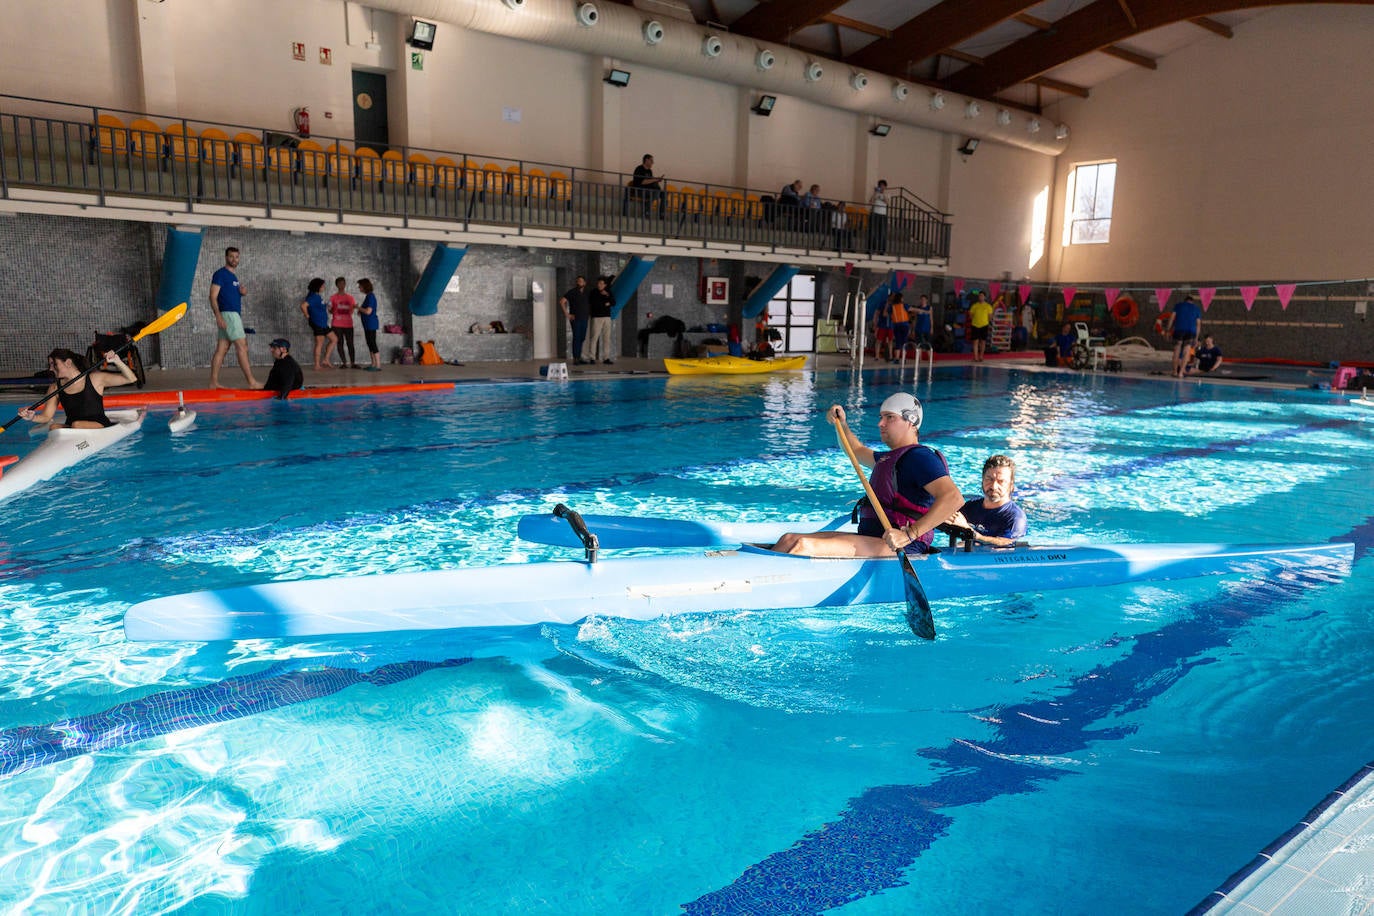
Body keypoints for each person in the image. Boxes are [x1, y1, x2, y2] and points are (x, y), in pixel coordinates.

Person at [771, 394, 963, 557]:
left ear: (911, 421)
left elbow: (953, 498)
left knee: (804, 546)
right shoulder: (889, 458)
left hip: (902, 547)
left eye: (889, 417)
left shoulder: (921, 457)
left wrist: (909, 534)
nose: (880, 423)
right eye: (881, 417)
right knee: (789, 539)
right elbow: (854, 449)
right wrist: (842, 424)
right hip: (874, 539)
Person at [19, 348, 137, 429]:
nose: (50, 369)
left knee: (77, 424)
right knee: (54, 427)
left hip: (98, 426)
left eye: (54, 364)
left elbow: (131, 379)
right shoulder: (55, 387)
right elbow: (46, 417)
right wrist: (31, 417)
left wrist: (117, 361)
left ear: (68, 363)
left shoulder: (95, 379)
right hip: (73, 428)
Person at [945, 455, 1027, 547]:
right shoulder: (970, 507)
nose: (993, 486)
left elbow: (1008, 544)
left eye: (1001, 481)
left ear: (1011, 485)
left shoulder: (1015, 518)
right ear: (982, 480)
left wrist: (971, 532)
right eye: (989, 479)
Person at [208, 246, 261, 390]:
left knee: (222, 349)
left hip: (231, 314)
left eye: (236, 257)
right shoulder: (220, 274)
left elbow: (230, 295)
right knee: (242, 347)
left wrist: (241, 293)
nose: (234, 259)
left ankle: (213, 383)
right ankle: (251, 382)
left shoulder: (233, 277)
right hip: (229, 315)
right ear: (226, 257)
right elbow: (212, 297)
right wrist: (218, 316)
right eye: (231, 256)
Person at [300, 277, 337, 371]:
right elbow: (303, 305)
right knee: (319, 343)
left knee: (334, 339)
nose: (324, 287)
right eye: (323, 286)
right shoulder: (313, 297)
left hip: (323, 323)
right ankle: (317, 365)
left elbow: (319, 306)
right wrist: (307, 316)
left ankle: (325, 360)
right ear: (318, 287)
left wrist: (327, 306)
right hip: (317, 323)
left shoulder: (317, 296)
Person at [1166, 294, 1203, 377]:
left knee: (1177, 350)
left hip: (1178, 330)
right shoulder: (1196, 308)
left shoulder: (1178, 306)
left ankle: (1175, 371)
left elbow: (1172, 318)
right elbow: (1198, 324)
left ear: (1185, 300)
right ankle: (1181, 373)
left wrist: (1168, 330)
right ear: (1192, 302)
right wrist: (1196, 338)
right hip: (1191, 331)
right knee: (1187, 351)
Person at [559, 275, 591, 364]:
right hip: (575, 318)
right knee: (577, 337)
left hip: (584, 318)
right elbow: (562, 301)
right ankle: (576, 358)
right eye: (578, 281)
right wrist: (567, 314)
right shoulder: (572, 292)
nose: (579, 283)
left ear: (584, 283)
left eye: (581, 281)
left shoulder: (587, 292)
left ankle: (579, 356)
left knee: (582, 337)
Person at [329, 277, 358, 368]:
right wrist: (332, 310)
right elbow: (330, 310)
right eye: (340, 283)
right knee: (339, 343)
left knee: (350, 343)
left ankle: (353, 363)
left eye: (343, 283)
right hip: (337, 324)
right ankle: (344, 363)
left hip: (348, 324)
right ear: (336, 285)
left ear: (345, 284)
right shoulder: (333, 297)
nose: (342, 285)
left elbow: (352, 310)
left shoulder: (350, 298)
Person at [585, 276, 615, 364]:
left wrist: (607, 295)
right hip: (596, 317)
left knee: (606, 338)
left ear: (605, 285)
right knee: (594, 338)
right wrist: (606, 303)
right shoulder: (593, 292)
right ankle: (592, 358)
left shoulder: (608, 292)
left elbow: (613, 302)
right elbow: (594, 304)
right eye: (598, 283)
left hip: (607, 317)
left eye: (601, 283)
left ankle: (606, 358)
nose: (599, 285)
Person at [357, 278, 382, 371]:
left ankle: (378, 365)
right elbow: (364, 311)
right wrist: (360, 311)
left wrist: (358, 308)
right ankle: (373, 363)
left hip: (371, 324)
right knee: (369, 343)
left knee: (372, 343)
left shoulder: (371, 296)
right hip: (367, 324)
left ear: (364, 286)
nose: (359, 288)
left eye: (360, 286)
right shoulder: (368, 296)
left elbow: (368, 311)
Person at [967, 291, 994, 362]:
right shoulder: (974, 305)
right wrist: (976, 320)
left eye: (982, 296)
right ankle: (975, 357)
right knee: (975, 341)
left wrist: (984, 321)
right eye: (979, 296)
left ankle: (981, 356)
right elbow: (971, 315)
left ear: (984, 297)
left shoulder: (988, 306)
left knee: (983, 342)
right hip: (975, 325)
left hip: (984, 325)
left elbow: (990, 317)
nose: (980, 297)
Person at [867, 180, 888, 254]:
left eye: (883, 186)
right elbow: (870, 202)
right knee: (873, 232)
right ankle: (872, 249)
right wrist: (875, 193)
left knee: (882, 233)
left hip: (883, 215)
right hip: (875, 214)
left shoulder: (887, 194)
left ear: (885, 187)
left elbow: (887, 202)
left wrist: (882, 194)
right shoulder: (875, 194)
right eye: (880, 186)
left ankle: (882, 250)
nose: (882, 187)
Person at [889, 292, 910, 363]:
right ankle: (904, 359)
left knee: (898, 342)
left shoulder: (892, 306)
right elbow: (912, 309)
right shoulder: (904, 305)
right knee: (904, 341)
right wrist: (924, 311)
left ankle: (897, 359)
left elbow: (886, 313)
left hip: (896, 326)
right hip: (904, 326)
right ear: (901, 298)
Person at [871, 296, 893, 361]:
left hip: (890, 325)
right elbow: (877, 313)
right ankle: (877, 355)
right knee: (879, 340)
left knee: (890, 341)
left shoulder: (894, 305)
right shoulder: (882, 303)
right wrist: (874, 324)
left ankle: (890, 355)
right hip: (882, 325)